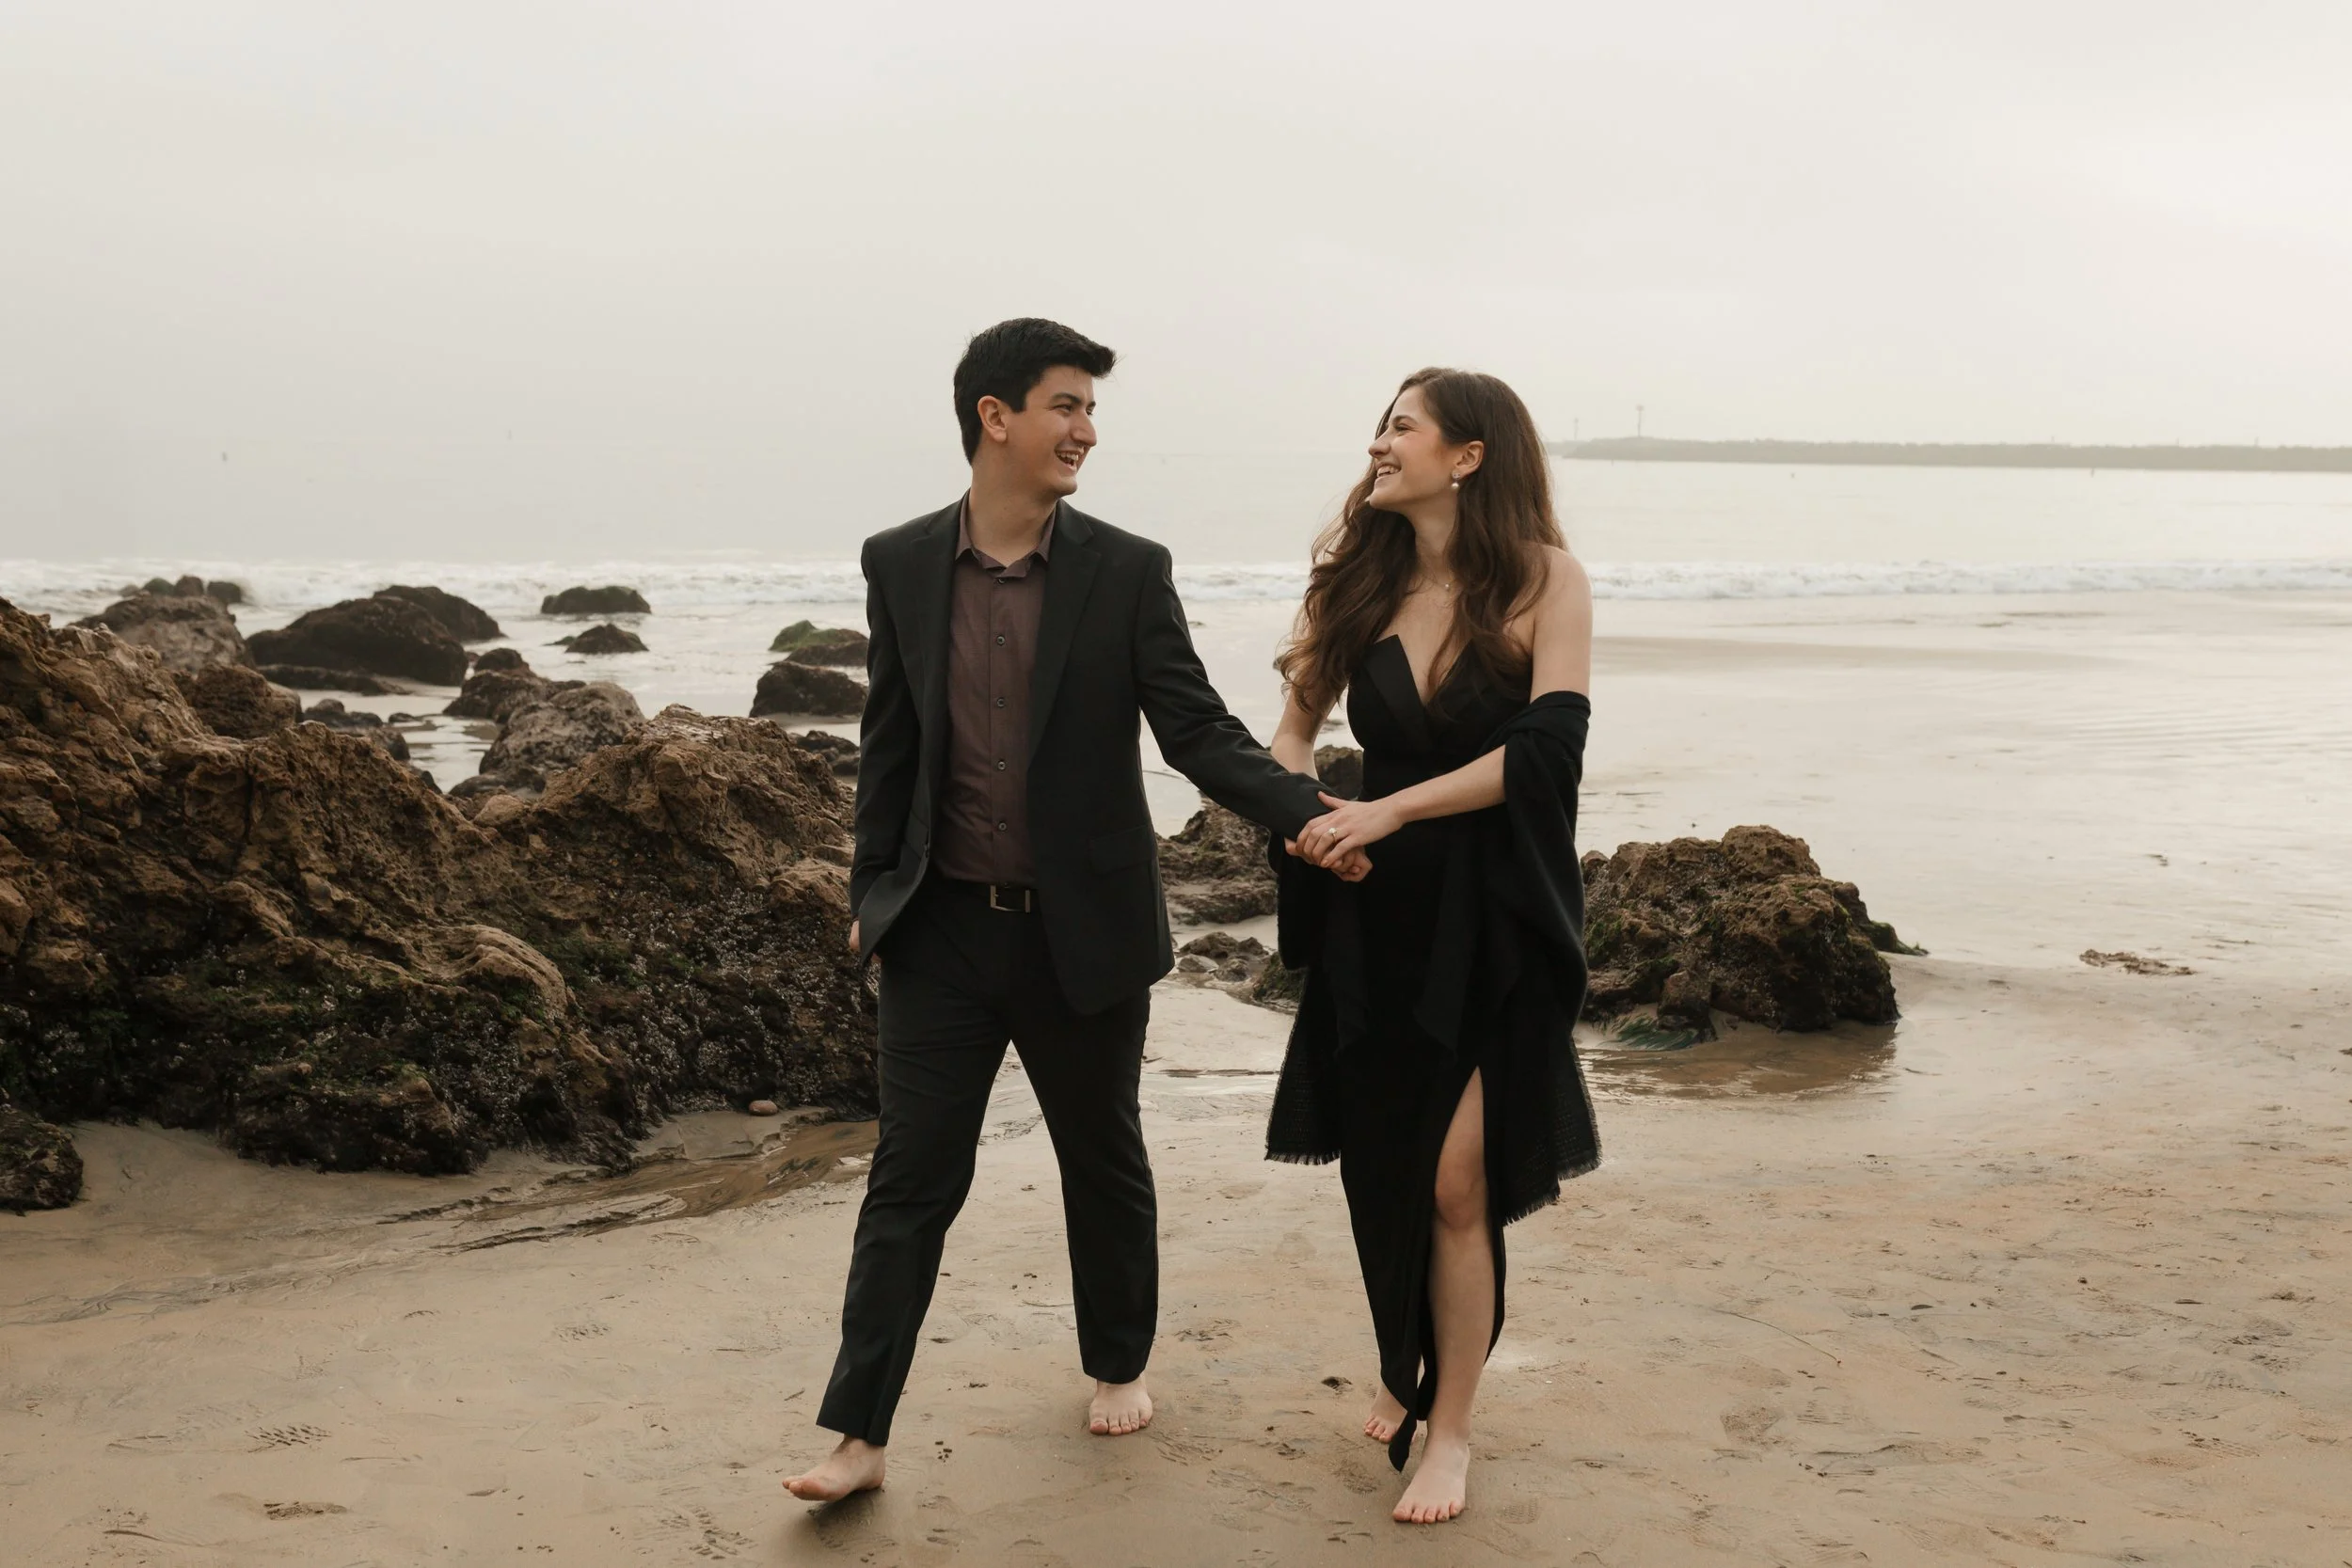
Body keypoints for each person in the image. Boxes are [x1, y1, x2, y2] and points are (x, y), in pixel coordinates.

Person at [785, 318, 1336, 1503]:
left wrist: (1305, 812)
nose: (1087, 430)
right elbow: (891, 744)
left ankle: (1117, 1357)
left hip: (1079, 926)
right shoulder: (898, 561)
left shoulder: (1125, 570)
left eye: (1091, 411)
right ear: (996, 415)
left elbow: (1193, 730)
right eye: (1067, 406)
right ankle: (858, 1434)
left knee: (1102, 1153)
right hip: (938, 926)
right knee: (910, 1177)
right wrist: (868, 888)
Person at [1266, 367, 1600, 1525]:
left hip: (1489, 911)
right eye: (1378, 425)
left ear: (1466, 455)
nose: (1377, 444)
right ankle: (1401, 1356)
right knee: (1382, 1166)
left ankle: (1449, 1425)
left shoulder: (1547, 580)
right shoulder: (1353, 583)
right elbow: (1292, 732)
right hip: (1371, 903)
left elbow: (1546, 754)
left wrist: (1394, 807)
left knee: (1459, 1179)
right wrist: (1303, 817)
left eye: (1400, 427)